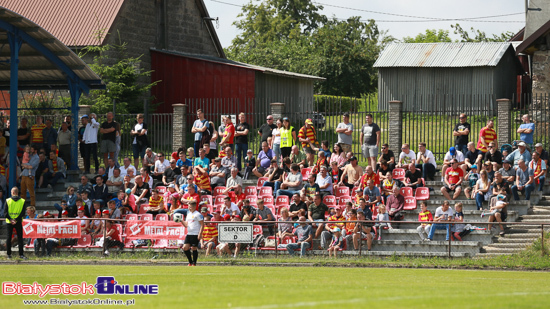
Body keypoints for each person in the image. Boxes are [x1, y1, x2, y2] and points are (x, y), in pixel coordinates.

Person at [179, 200, 204, 266]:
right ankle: (190, 262)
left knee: (194, 248)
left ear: (194, 207)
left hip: (195, 233)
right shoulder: (188, 214)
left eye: (190, 207)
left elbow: (202, 224)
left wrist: (200, 234)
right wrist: (181, 220)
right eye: (188, 206)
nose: (189, 208)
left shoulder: (198, 214)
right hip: (189, 234)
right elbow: (186, 225)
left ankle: (194, 263)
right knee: (185, 248)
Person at [5, 187, 27, 259]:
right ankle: (21, 254)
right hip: (18, 221)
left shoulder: (8, 201)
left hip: (9, 222)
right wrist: (16, 219)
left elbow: (5, 213)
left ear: (13, 192)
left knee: (9, 238)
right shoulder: (22, 201)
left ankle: (9, 254)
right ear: (17, 192)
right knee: (20, 238)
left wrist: (11, 219)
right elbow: (23, 213)